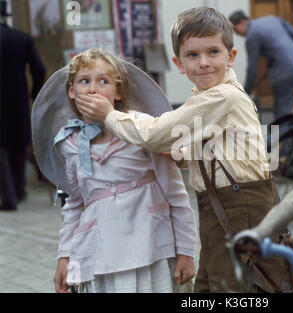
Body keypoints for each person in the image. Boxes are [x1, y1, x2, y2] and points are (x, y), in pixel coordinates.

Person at [76, 7, 293, 293]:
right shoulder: (209, 97)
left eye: (213, 52)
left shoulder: (221, 97)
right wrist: (181, 156)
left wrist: (108, 114)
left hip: (238, 209)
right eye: (193, 55)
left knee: (229, 290)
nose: (204, 63)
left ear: (231, 57)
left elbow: (155, 134)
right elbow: (220, 149)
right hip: (223, 208)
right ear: (179, 63)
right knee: (210, 287)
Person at [49, 48, 196, 293]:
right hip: (100, 253)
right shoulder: (68, 144)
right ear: (71, 91)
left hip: (151, 248)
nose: (92, 89)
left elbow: (176, 195)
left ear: (118, 92)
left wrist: (186, 251)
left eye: (103, 81)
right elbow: (74, 202)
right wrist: (64, 256)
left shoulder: (142, 128)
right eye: (84, 81)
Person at [0, 0, 46, 211]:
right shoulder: (22, 39)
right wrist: (34, 92)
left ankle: (8, 197)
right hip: (17, 100)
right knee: (18, 146)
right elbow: (39, 68)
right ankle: (18, 191)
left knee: (1, 148)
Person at [228, 10, 293, 120]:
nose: (237, 34)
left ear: (242, 22)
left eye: (235, 30)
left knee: (282, 109)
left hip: (282, 72)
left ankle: (284, 136)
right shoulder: (272, 19)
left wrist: (246, 92)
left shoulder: (252, 35)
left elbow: (252, 69)